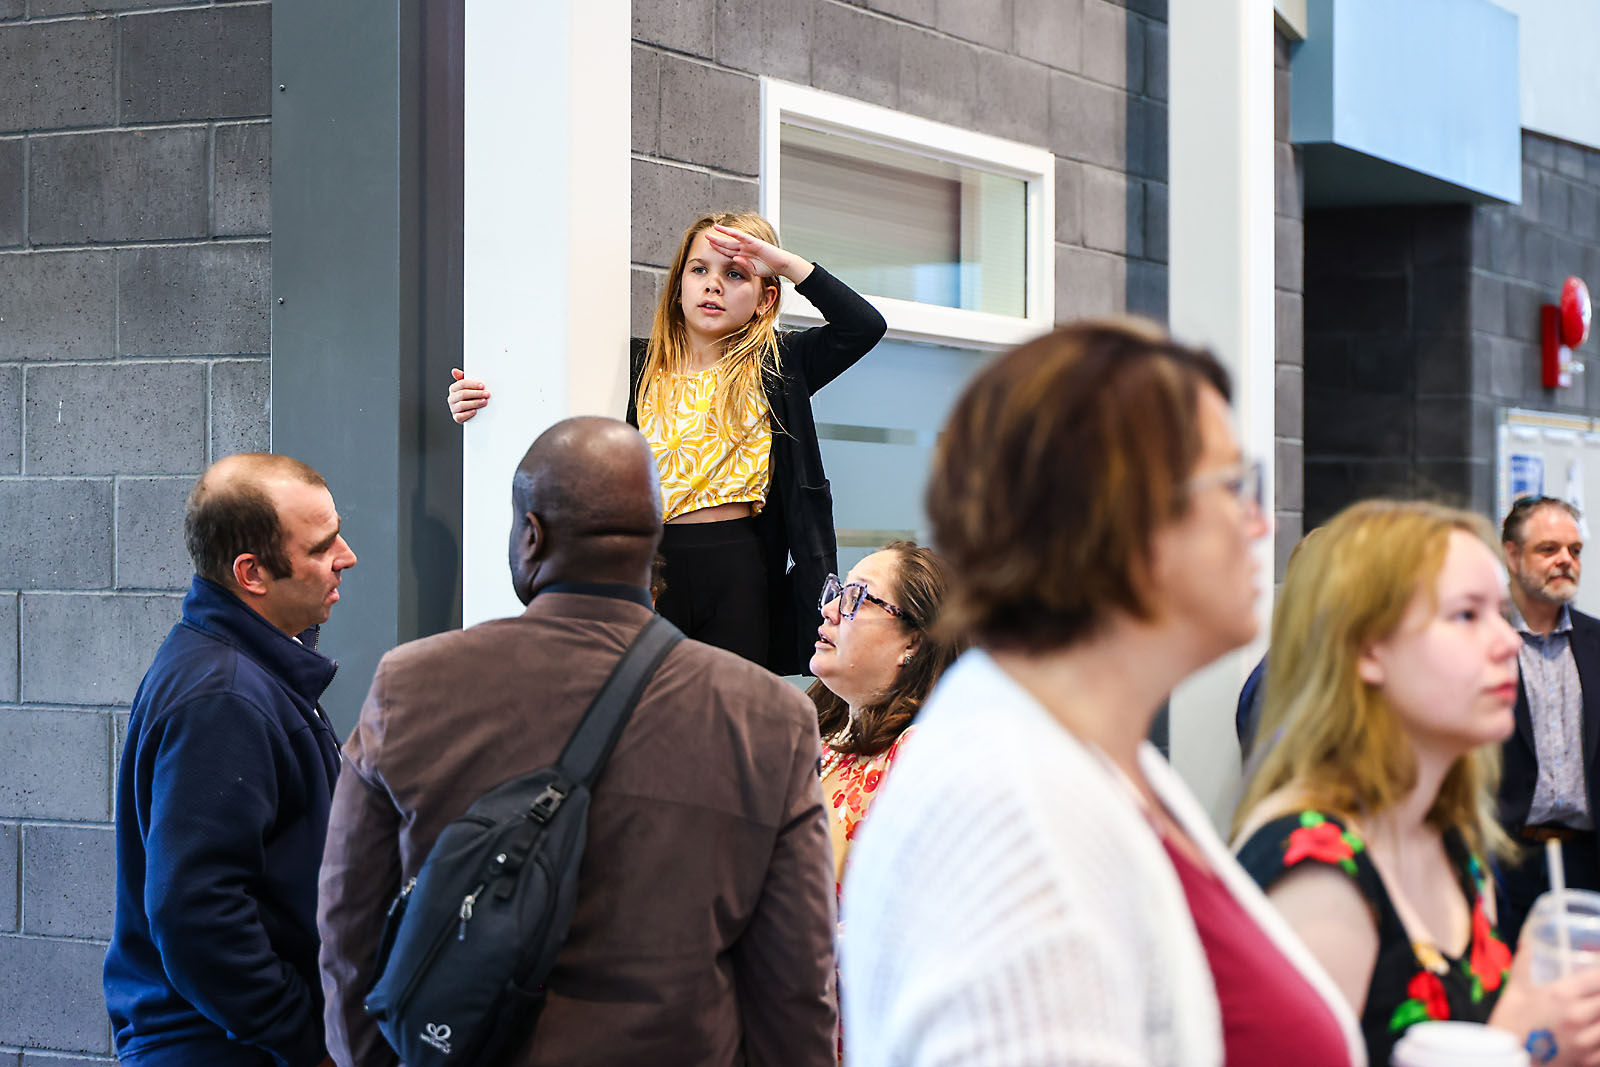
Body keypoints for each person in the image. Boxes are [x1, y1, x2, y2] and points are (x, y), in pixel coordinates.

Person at [841, 320, 1364, 1066]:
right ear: (1118, 518)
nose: (1262, 521)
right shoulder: (1007, 810)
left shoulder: (1093, 752)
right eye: (1233, 486)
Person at [318, 417, 838, 1067]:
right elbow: (795, 984)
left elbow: (348, 928)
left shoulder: (414, 684)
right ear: (654, 544)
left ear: (530, 536)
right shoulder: (767, 716)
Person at [1234, 499, 1600, 1066]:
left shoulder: (1452, 840)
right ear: (1369, 648)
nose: (1506, 643)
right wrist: (1525, 1043)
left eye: (1499, 614)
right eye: (1465, 616)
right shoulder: (1315, 871)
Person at [448, 213, 887, 673]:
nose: (712, 285)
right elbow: (544, 390)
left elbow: (863, 326)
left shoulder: (777, 365)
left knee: (726, 711)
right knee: (642, 705)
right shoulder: (635, 363)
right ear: (679, 284)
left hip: (739, 564)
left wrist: (782, 262)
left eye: (734, 273)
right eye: (699, 270)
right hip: (647, 562)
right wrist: (478, 401)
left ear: (765, 297)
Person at [104, 453, 356, 1067]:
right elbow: (197, 915)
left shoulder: (253, 669)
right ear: (252, 573)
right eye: (322, 547)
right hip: (218, 1050)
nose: (345, 555)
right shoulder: (222, 699)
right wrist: (310, 1042)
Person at [809, 540, 960, 886]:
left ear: (913, 643)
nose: (830, 609)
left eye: (856, 598)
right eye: (838, 592)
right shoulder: (823, 737)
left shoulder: (921, 756)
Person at [1497, 495, 1600, 945]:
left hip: (1588, 859)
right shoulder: (1482, 640)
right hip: (1506, 856)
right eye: (1549, 549)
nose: (1565, 561)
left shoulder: (1597, 643)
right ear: (1512, 555)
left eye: (1574, 551)